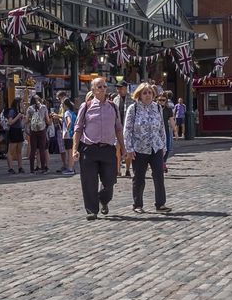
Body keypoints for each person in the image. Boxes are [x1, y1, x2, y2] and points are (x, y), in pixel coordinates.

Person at [71, 78, 125, 220]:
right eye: (99, 86)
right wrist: (75, 149)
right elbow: (78, 128)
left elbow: (118, 129)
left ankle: (103, 199)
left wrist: (123, 148)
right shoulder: (86, 106)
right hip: (89, 149)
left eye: (104, 86)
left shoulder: (113, 107)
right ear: (93, 90)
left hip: (108, 149)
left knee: (110, 181)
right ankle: (92, 210)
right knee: (89, 181)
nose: (103, 89)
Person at [124, 82, 170, 214]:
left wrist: (164, 146)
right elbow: (127, 129)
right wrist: (129, 148)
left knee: (159, 175)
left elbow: (161, 127)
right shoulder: (133, 108)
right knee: (139, 177)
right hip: (139, 148)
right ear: (139, 95)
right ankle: (137, 204)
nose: (148, 95)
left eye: (150, 93)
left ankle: (160, 204)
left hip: (156, 147)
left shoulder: (158, 107)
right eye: (145, 93)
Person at [26, 95, 50, 174]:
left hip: (33, 130)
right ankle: (43, 168)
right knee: (42, 149)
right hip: (42, 130)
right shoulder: (43, 107)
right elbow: (47, 120)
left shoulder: (30, 108)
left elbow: (26, 120)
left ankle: (32, 169)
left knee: (33, 150)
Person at [3, 97, 25, 173]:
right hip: (13, 130)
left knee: (19, 150)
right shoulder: (12, 111)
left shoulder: (19, 111)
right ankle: (10, 168)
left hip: (19, 130)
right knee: (11, 151)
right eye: (21, 102)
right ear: (17, 103)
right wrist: (18, 117)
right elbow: (10, 122)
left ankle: (20, 167)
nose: (23, 104)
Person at [60, 100, 78, 175]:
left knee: (69, 152)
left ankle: (70, 169)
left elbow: (69, 122)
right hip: (73, 134)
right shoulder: (72, 112)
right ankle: (72, 167)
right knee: (71, 152)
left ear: (65, 105)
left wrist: (67, 131)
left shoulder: (67, 112)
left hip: (68, 135)